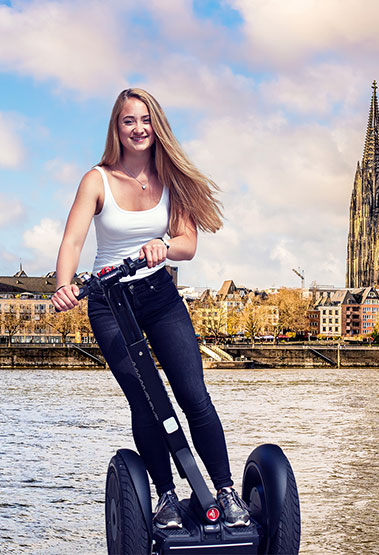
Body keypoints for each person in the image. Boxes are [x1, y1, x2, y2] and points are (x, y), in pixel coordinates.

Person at [52, 88, 250, 529]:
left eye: (145, 120)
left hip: (159, 296)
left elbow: (188, 244)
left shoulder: (171, 179)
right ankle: (166, 497)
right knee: (145, 402)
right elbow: (73, 241)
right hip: (108, 301)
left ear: (156, 126)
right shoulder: (96, 180)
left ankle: (226, 491)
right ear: (117, 128)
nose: (138, 129)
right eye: (129, 121)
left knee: (193, 395)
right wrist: (64, 285)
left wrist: (162, 245)